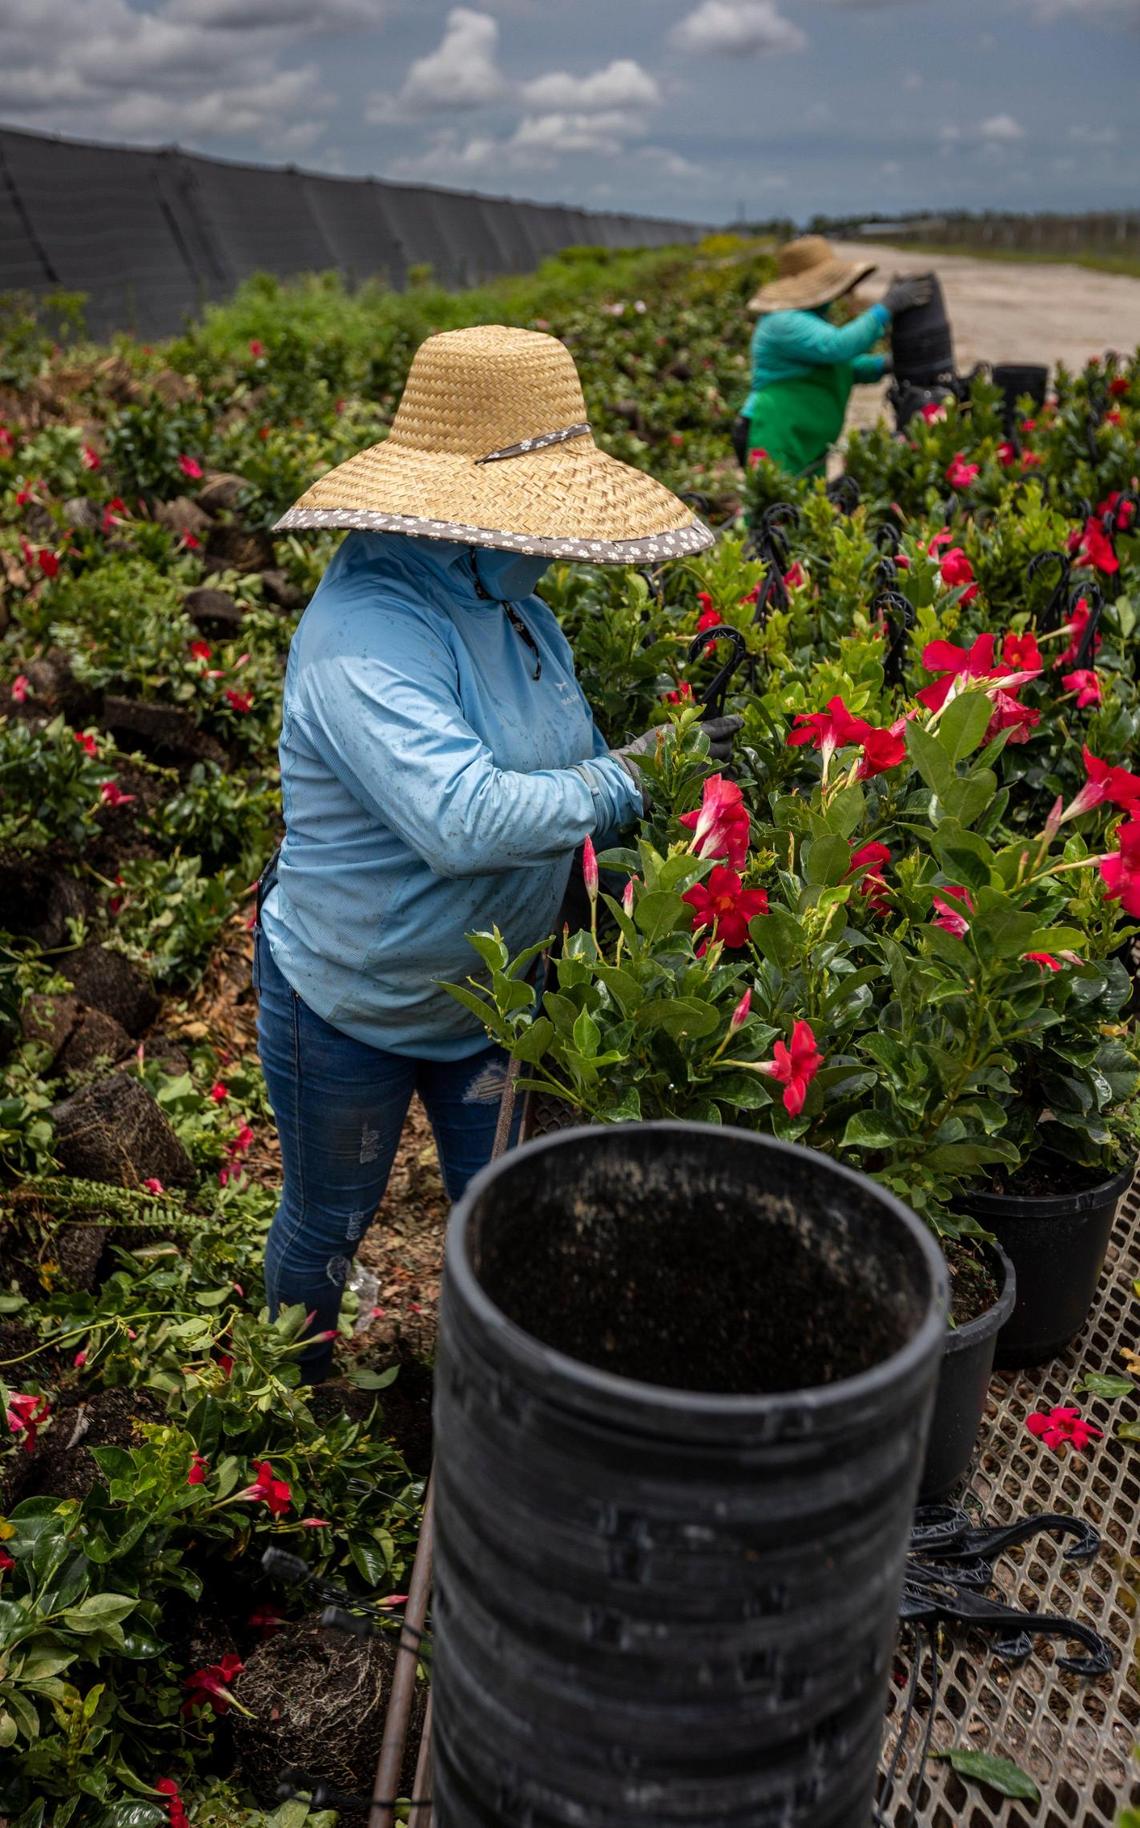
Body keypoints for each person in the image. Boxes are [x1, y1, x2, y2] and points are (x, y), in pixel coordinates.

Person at [255, 323, 738, 1380]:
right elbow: (465, 818)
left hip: (494, 1004)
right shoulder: (364, 637)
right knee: (329, 1218)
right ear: (461, 517)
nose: (555, 546)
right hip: (352, 1008)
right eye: (540, 521)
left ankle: (492, 1395)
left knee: (506, 1213)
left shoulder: (503, 601)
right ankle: (293, 1403)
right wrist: (642, 772)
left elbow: (554, 764)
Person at [734, 236, 932, 478]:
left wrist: (884, 364)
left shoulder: (808, 320)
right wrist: (886, 308)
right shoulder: (782, 321)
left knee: (804, 507)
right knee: (775, 509)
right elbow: (838, 346)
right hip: (775, 432)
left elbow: (839, 368)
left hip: (803, 438)